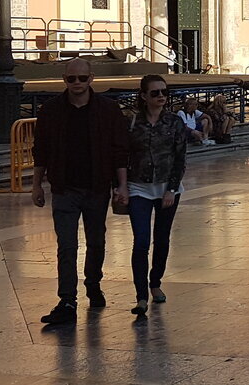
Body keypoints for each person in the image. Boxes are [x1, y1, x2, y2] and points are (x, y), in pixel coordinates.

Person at [32, 57, 130, 325]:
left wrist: (121, 185)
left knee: (96, 241)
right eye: (71, 78)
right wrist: (36, 184)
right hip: (64, 187)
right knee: (66, 245)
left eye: (82, 78)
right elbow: (40, 149)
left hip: (97, 186)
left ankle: (93, 283)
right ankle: (67, 299)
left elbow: (120, 150)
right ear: (64, 80)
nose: (77, 83)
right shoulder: (51, 110)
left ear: (91, 79)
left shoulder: (108, 109)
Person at [126, 74, 188, 314]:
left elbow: (180, 158)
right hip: (138, 187)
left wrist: (171, 189)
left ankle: (155, 283)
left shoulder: (174, 122)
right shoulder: (132, 122)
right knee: (141, 240)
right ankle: (141, 296)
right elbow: (122, 155)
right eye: (155, 93)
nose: (161, 96)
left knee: (161, 239)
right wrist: (119, 185)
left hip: (167, 188)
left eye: (164, 92)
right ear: (144, 96)